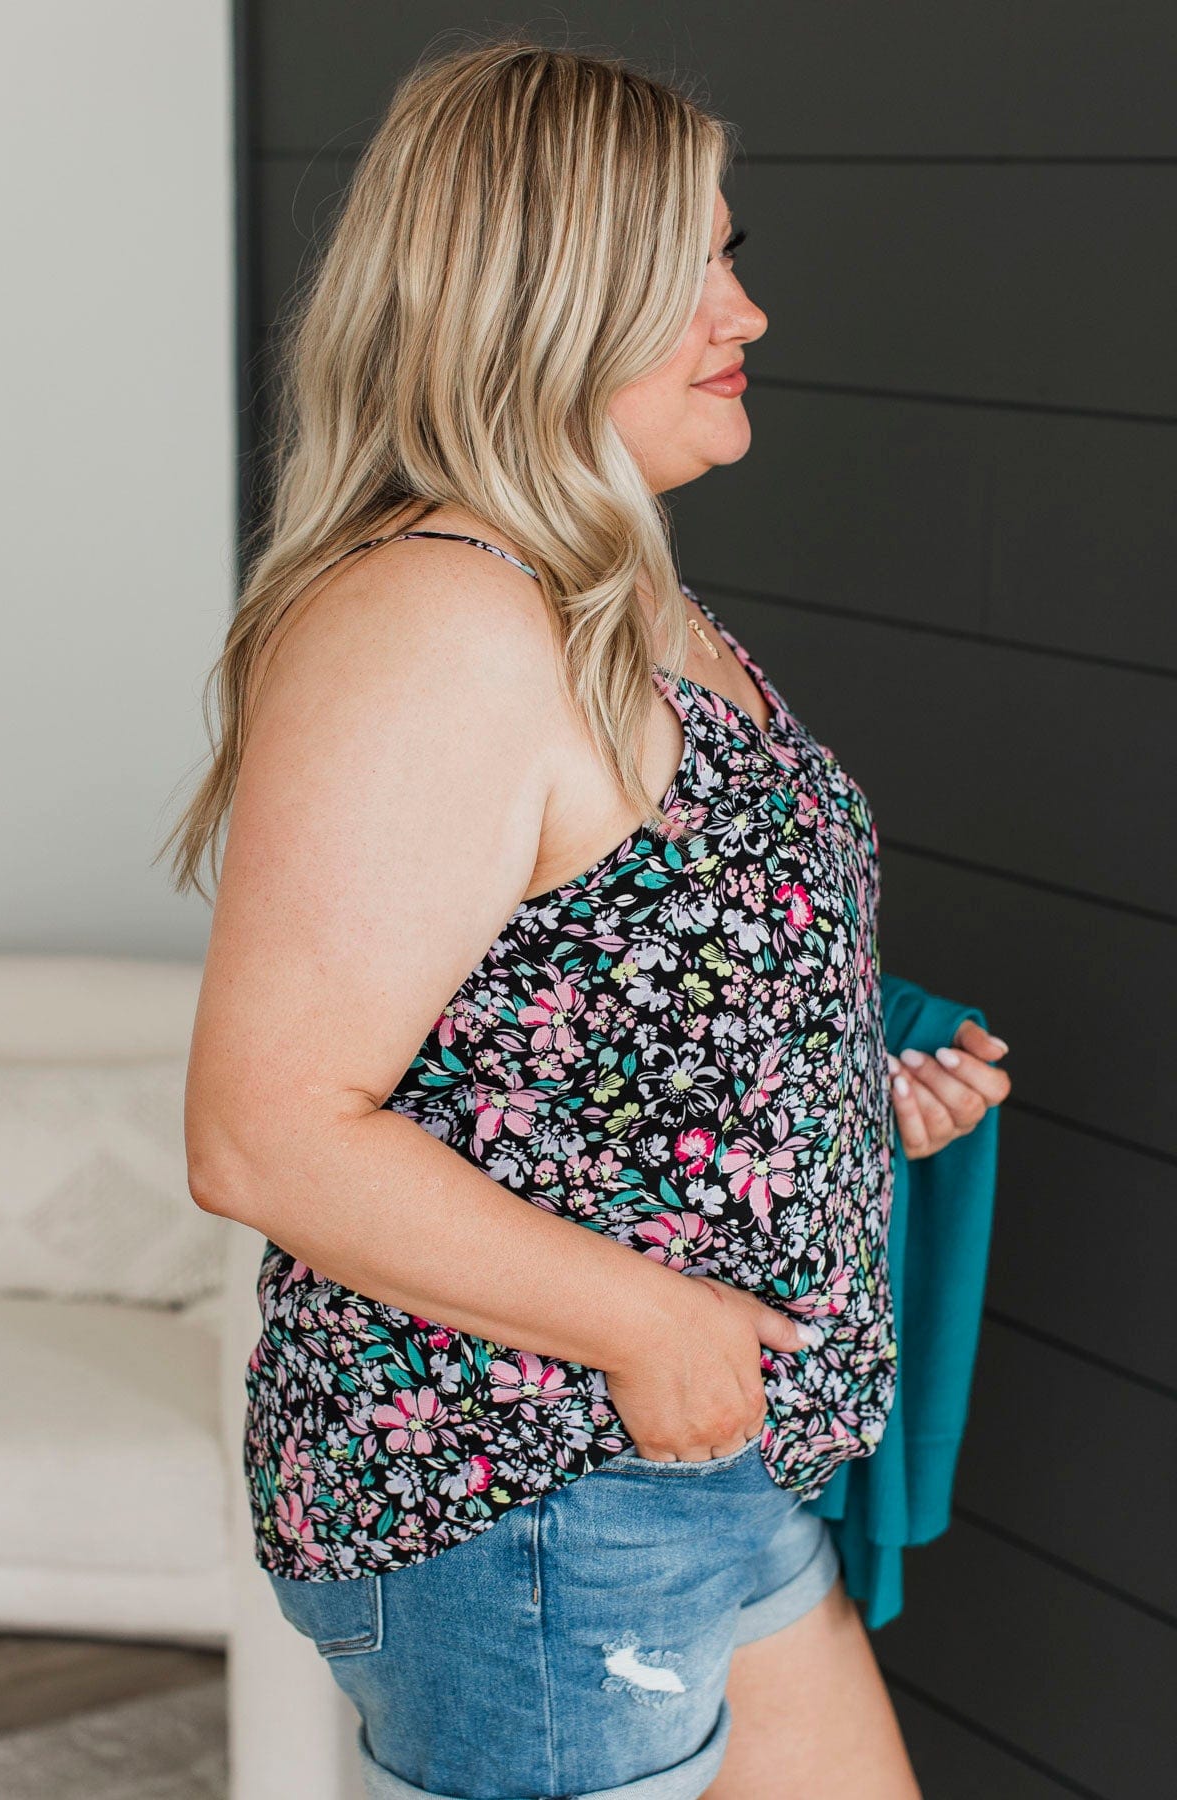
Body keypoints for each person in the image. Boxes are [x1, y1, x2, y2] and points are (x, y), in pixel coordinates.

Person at [172, 37, 1009, 1800]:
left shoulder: (621, 598)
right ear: (549, 304)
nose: (749, 312)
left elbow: (592, 1008)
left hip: (702, 1464)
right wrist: (658, 1329)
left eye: (732, 250)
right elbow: (265, 1132)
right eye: (696, 266)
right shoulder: (438, 622)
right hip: (539, 1495)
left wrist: (842, 1086)